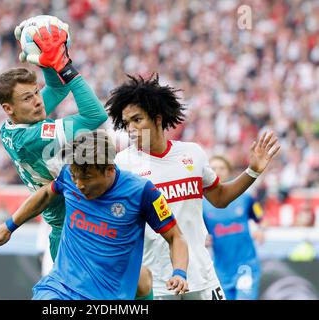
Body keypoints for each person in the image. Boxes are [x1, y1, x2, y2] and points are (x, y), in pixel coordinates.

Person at [107, 74, 280, 300]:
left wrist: (253, 171)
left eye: (137, 120)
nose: (130, 128)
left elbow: (219, 197)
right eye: (126, 123)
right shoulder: (123, 164)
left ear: (157, 119)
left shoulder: (192, 153)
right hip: (157, 283)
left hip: (202, 276)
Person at [0, 131, 189, 300]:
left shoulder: (142, 192)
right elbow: (47, 193)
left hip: (107, 294)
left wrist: (179, 272)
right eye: (75, 176)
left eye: (86, 177)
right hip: (60, 286)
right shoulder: (69, 175)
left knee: (142, 279)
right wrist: (8, 226)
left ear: (109, 169)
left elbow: (175, 237)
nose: (79, 184)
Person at [0, 17, 107, 261]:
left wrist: (46, 60)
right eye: (27, 98)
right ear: (8, 108)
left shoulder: (9, 128)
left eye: (36, 92)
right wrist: (64, 65)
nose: (37, 100)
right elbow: (95, 115)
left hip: (76, 224)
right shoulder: (33, 138)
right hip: (77, 231)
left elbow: (57, 89)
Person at [202, 155, 265, 300]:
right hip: (221, 270)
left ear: (229, 171)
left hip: (246, 265)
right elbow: (199, 232)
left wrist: (260, 230)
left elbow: (260, 217)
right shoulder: (202, 203)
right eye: (214, 169)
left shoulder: (245, 197)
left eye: (222, 168)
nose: (218, 171)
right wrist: (203, 239)